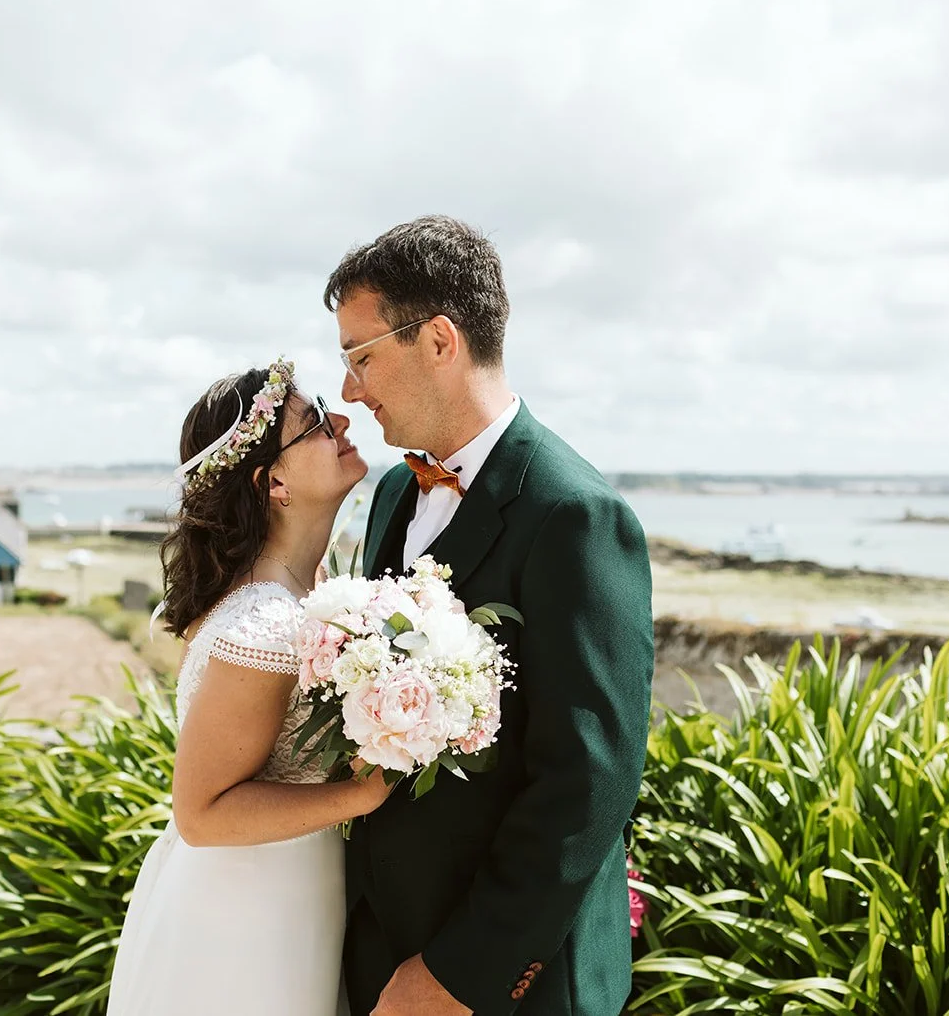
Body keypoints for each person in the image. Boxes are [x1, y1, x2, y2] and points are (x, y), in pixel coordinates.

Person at [329, 216, 655, 1016]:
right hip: (378, 952)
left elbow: (589, 782)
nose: (349, 391)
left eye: (361, 357)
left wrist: (461, 973)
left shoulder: (575, 514)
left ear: (440, 340)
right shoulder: (393, 492)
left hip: (506, 984)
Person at [106, 359, 391, 1016]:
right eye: (315, 422)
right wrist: (364, 793)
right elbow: (201, 813)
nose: (342, 420)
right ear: (275, 483)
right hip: (244, 917)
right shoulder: (266, 626)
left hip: (290, 892)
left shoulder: (304, 593)